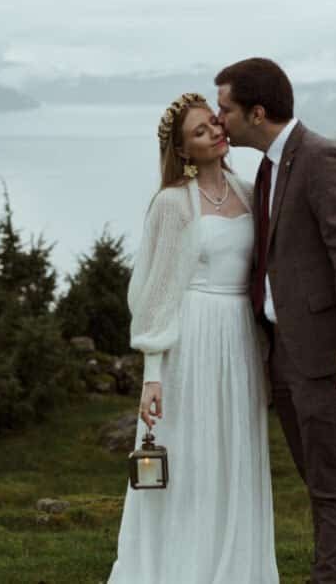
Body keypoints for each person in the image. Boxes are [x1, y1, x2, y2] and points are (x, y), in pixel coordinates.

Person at [214, 58, 336, 584]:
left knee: (331, 485)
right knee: (314, 478)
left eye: (225, 109)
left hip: (324, 355)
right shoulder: (270, 167)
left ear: (257, 112)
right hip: (285, 351)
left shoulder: (323, 160)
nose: (219, 119)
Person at [106, 92, 279, 583]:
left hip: (239, 343)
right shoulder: (171, 204)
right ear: (183, 152)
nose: (215, 133)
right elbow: (155, 293)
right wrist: (153, 376)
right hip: (190, 342)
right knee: (189, 461)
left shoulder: (249, 191)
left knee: (233, 460)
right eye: (200, 132)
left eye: (214, 123)